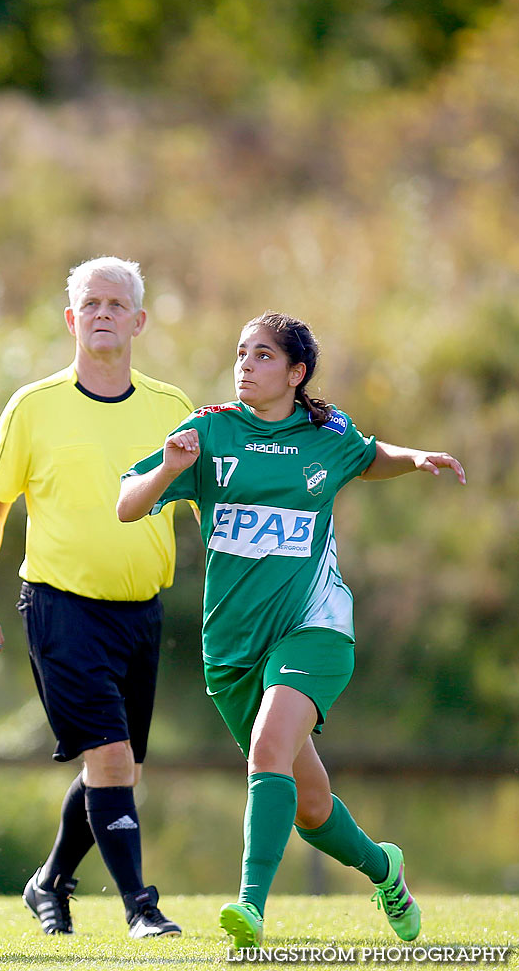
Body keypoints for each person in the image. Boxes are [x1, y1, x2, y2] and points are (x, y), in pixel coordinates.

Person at [117, 311, 466, 947]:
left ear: (296, 372)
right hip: (231, 652)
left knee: (268, 749)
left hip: (315, 630)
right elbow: (126, 504)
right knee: (310, 808)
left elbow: (368, 456)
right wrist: (169, 468)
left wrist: (413, 457)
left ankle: (250, 908)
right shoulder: (208, 431)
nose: (245, 364)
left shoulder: (325, 433)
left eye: (263, 355)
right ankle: (386, 870)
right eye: (241, 352)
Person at [0, 256, 193, 940]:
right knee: (111, 760)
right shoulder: (34, 406)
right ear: (70, 318)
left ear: (139, 321)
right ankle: (141, 908)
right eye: (90, 304)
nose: (102, 314)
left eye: (116, 304)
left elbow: (210, 506)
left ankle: (50, 883)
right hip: (61, 604)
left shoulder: (173, 409)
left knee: (118, 771)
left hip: (141, 611)